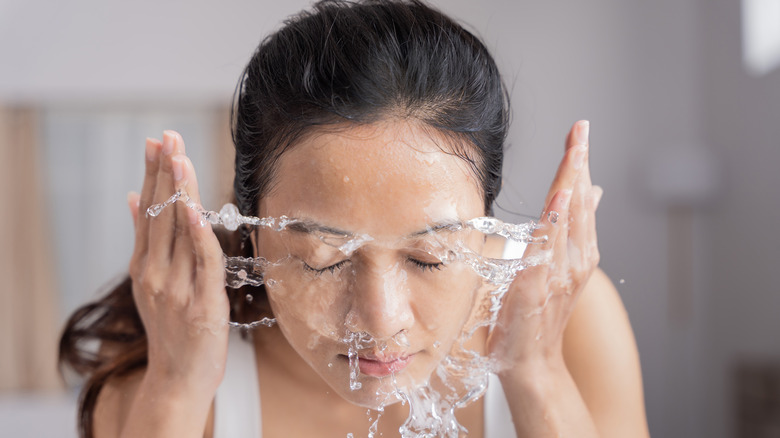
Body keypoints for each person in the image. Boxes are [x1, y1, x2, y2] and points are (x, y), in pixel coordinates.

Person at [59, 1, 650, 437]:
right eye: (325, 260)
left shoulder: (570, 320)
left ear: (486, 220)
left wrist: (537, 373)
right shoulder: (163, 376)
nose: (380, 321)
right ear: (256, 227)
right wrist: (177, 389)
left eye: (429, 257)